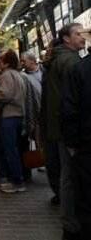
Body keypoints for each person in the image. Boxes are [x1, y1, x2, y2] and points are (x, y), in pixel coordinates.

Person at [42, 23, 86, 240]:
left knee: (67, 175)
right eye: (77, 33)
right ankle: (71, 221)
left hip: (59, 127)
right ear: (67, 39)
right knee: (70, 176)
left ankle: (70, 219)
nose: (83, 37)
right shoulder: (71, 62)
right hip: (67, 129)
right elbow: (73, 101)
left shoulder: (58, 59)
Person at [61, 28, 91, 240]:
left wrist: (72, 142)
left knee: (85, 195)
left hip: (86, 144)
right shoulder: (74, 65)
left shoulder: (79, 68)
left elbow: (69, 109)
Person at [0, 49, 26, 193]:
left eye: (1, 60)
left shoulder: (6, 76)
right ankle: (14, 177)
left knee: (9, 149)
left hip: (8, 116)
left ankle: (16, 180)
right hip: (17, 115)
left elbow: (5, 95)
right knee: (10, 148)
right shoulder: (18, 75)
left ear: (6, 62)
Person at [41, 38, 63, 206]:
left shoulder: (51, 67)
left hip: (53, 122)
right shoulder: (54, 67)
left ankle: (59, 192)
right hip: (57, 123)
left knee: (55, 161)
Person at [20, 52, 44, 181]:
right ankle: (42, 159)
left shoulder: (45, 71)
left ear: (32, 61)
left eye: (24, 61)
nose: (22, 63)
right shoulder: (23, 76)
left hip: (48, 110)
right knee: (38, 138)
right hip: (34, 111)